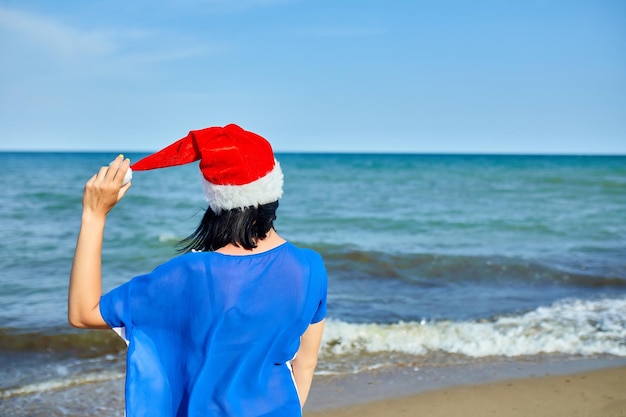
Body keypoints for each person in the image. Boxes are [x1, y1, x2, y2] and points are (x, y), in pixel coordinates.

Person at [68, 124, 327, 417]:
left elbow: (83, 312)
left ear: (216, 199)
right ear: (272, 191)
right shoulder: (310, 267)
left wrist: (94, 215)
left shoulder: (186, 274)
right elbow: (305, 363)